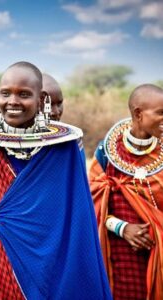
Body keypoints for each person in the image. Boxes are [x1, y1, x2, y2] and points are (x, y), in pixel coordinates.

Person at [0, 61, 112, 300]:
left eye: (24, 94)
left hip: (50, 265)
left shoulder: (65, 147)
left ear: (41, 100)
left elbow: (76, 218)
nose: (13, 101)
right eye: (5, 93)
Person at [89, 84, 163, 299]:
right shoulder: (107, 153)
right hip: (117, 253)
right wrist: (122, 228)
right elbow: (90, 204)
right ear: (139, 114)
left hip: (158, 253)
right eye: (160, 113)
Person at [42, 73, 86, 166]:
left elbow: (78, 177)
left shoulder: (71, 140)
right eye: (48, 105)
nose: (56, 112)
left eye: (59, 103)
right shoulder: (12, 143)